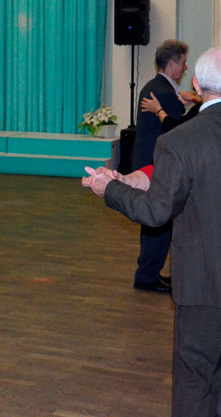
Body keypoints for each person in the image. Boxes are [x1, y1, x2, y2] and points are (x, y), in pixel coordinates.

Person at [81, 45, 221, 417]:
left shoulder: (182, 138)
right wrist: (129, 178)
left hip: (205, 286)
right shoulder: (186, 139)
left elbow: (157, 211)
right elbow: (175, 174)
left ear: (196, 85)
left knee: (196, 379)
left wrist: (110, 189)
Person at [130, 39, 188, 293]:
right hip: (158, 167)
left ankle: (149, 272)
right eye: (183, 62)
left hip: (150, 164)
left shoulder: (154, 87)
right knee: (158, 223)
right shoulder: (164, 93)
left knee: (155, 222)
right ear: (172, 63)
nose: (185, 67)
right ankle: (147, 275)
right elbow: (181, 129)